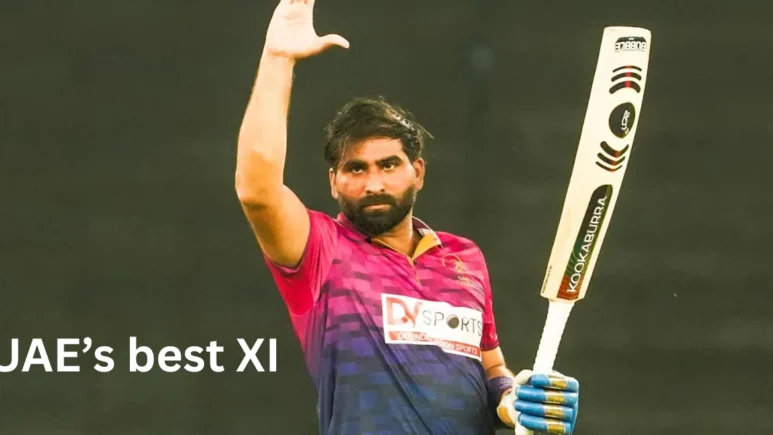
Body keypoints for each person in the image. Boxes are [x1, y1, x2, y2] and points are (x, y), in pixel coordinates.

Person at [235, 1, 580, 433]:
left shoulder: (465, 257)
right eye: (356, 169)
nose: (374, 183)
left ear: (418, 171)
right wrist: (278, 58)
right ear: (333, 182)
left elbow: (490, 367)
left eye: (388, 165)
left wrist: (515, 401)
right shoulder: (321, 252)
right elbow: (257, 190)